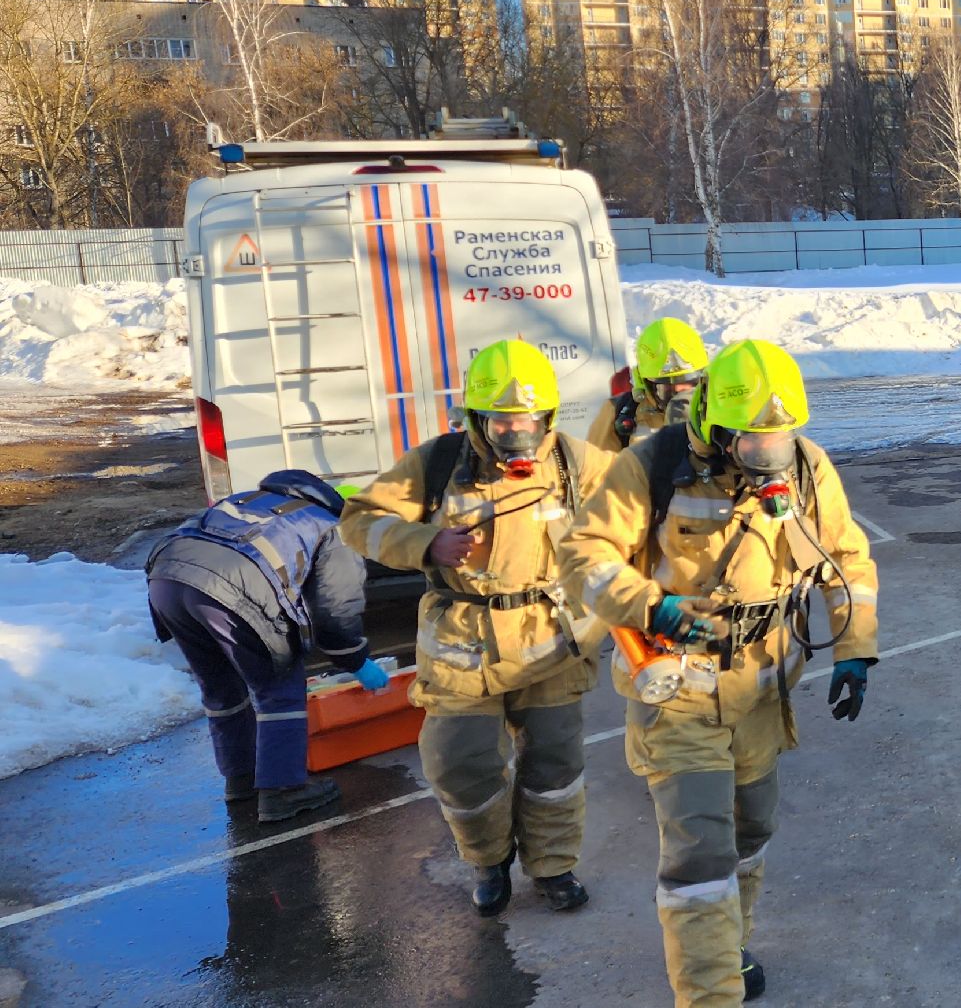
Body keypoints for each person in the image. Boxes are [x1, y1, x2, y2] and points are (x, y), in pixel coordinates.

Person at [560, 340, 881, 1006]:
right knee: (700, 853)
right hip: (675, 691)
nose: (770, 458)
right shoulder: (649, 465)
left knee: (750, 831)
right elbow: (582, 555)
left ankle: (722, 942)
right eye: (755, 444)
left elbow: (845, 558)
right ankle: (709, 992)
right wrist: (652, 606)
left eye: (780, 440)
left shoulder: (808, 467)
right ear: (714, 428)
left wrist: (854, 646)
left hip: (761, 693)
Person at [342, 339, 612, 916]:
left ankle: (553, 866)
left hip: (552, 638)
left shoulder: (576, 461)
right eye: (504, 423)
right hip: (464, 641)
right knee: (460, 762)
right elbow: (359, 518)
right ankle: (489, 862)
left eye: (530, 422)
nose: (519, 435)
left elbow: (638, 506)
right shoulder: (437, 463)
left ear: (549, 416)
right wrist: (424, 542)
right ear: (476, 420)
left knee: (556, 764)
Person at [146, 469, 384, 822]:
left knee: (220, 685)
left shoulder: (251, 500)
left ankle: (241, 778)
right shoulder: (333, 527)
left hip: (166, 578)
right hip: (229, 587)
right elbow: (335, 613)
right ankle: (283, 791)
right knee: (279, 681)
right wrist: (357, 661)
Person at [590, 317, 710, 452]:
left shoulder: (720, 412)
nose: (680, 401)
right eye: (667, 390)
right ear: (645, 384)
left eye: (690, 387)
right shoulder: (617, 412)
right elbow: (597, 469)